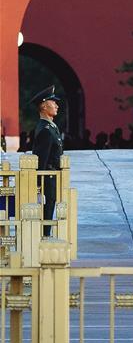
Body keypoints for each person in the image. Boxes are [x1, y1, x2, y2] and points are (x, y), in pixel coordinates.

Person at [30, 85, 64, 236]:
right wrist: (38, 185)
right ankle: (44, 237)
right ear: (44, 106)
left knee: (50, 207)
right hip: (47, 176)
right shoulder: (45, 130)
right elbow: (41, 160)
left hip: (52, 176)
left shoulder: (50, 127)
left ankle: (45, 235)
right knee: (47, 207)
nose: (56, 105)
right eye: (53, 102)